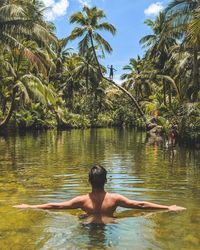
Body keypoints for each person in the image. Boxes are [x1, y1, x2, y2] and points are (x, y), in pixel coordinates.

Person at [14, 165, 185, 215]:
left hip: (88, 225)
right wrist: (168, 207)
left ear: (89, 180)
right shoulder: (115, 199)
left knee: (82, 219)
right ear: (106, 180)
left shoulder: (81, 200)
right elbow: (140, 205)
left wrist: (29, 206)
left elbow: (56, 206)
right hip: (109, 226)